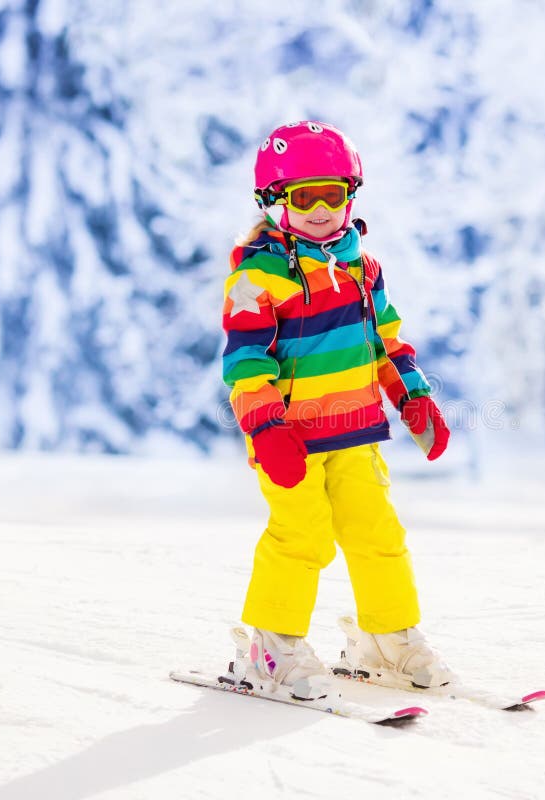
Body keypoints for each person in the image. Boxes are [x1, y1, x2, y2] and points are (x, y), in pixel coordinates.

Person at [222, 121, 453, 698]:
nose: (322, 208)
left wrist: (414, 397)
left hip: (355, 430)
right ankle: (271, 649)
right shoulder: (257, 276)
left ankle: (387, 638)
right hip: (288, 438)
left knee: (377, 533)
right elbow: (245, 361)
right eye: (305, 196)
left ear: (352, 194)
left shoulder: (363, 269)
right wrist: (265, 427)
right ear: (275, 201)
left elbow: (388, 344)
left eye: (334, 193)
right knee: (302, 536)